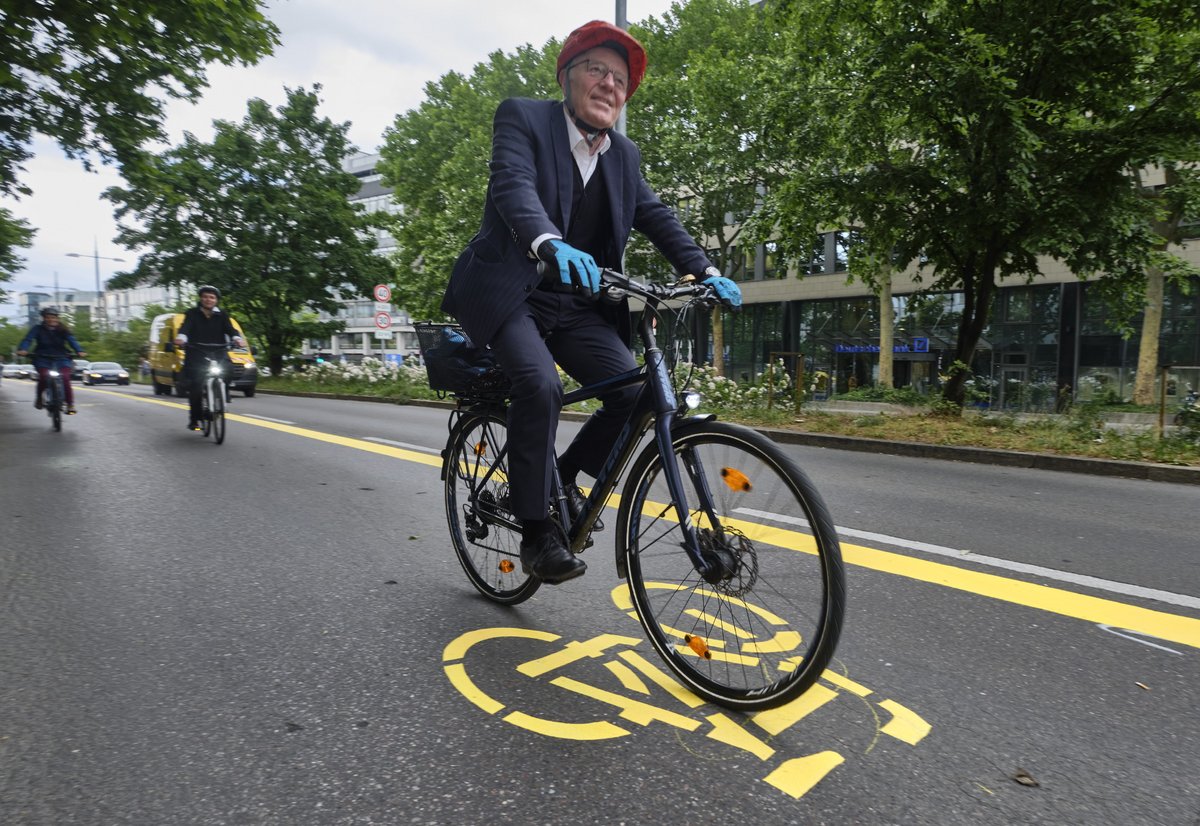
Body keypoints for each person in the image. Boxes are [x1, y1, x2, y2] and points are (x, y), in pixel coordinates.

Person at [441, 20, 742, 585]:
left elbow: (655, 216)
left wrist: (705, 269)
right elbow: (512, 186)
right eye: (596, 70)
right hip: (515, 292)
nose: (610, 84)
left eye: (621, 79)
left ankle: (560, 476)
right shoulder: (523, 118)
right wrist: (548, 241)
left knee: (632, 393)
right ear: (567, 77)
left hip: (576, 303)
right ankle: (536, 533)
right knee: (539, 384)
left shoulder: (622, 155)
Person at [174, 285, 245, 430]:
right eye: (205, 297)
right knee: (196, 386)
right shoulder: (192, 313)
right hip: (197, 353)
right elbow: (185, 328)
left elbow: (231, 330)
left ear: (216, 300)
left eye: (212, 297)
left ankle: (223, 392)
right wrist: (181, 338)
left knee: (229, 370)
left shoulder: (222, 315)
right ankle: (195, 419)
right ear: (201, 298)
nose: (208, 300)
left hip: (218, 352)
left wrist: (237, 338)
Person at [17, 307, 87, 414]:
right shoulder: (37, 329)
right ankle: (40, 397)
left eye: (53, 317)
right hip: (42, 358)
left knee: (65, 377)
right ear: (44, 318)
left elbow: (72, 340)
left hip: (62, 358)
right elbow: (28, 339)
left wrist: (79, 350)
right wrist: (23, 349)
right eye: (48, 317)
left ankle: (70, 404)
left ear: (57, 318)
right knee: (44, 376)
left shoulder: (63, 329)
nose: (51, 320)